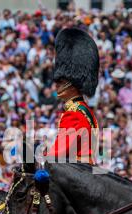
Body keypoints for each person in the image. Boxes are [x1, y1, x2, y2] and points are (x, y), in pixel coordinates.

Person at [46, 28, 99, 165]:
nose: (56, 85)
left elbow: (57, 157)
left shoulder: (74, 114)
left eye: (61, 82)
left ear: (73, 83)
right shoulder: (84, 109)